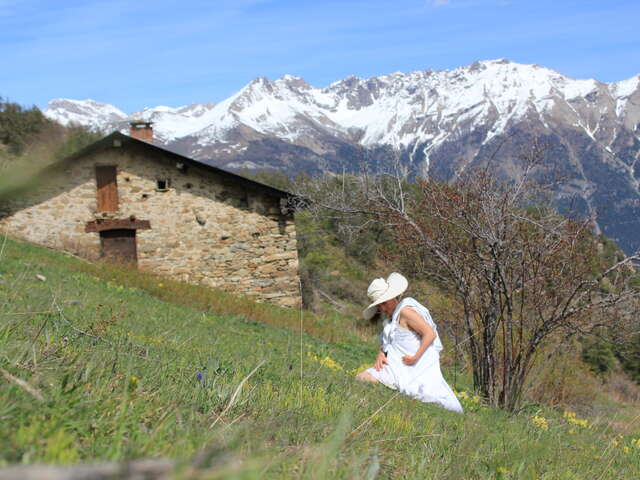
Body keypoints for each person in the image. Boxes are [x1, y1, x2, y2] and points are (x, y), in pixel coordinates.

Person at [356, 272, 463, 413]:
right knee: (361, 377)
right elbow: (392, 341)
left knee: (363, 377)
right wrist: (381, 353)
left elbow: (429, 334)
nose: (382, 308)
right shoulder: (393, 319)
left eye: (384, 303)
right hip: (397, 366)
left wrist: (415, 357)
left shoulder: (406, 312)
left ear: (393, 298)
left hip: (412, 366)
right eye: (379, 306)